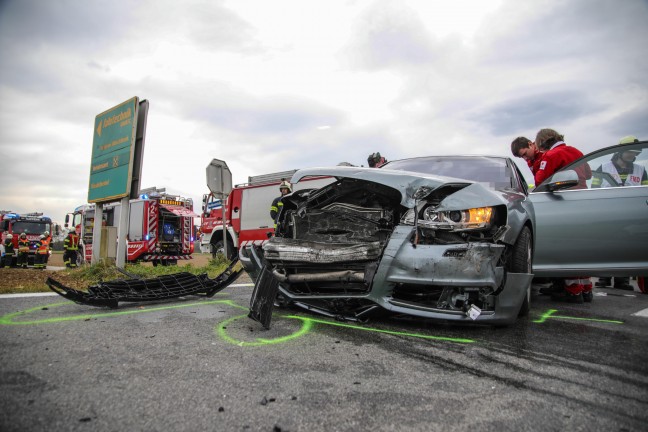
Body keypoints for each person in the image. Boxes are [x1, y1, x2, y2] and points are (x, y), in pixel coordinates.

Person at [534, 128, 593, 303]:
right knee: (583, 246)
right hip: (585, 201)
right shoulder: (577, 151)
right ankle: (586, 288)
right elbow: (589, 174)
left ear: (542, 143)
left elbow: (540, 181)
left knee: (569, 245)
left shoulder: (551, 156)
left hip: (566, 203)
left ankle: (572, 289)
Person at [592, 135, 647, 290]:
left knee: (625, 246)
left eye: (636, 153)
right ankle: (604, 277)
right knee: (605, 245)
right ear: (620, 152)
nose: (632, 155)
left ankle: (622, 280)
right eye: (630, 152)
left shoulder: (641, 170)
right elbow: (594, 189)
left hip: (629, 215)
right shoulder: (603, 167)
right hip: (606, 213)